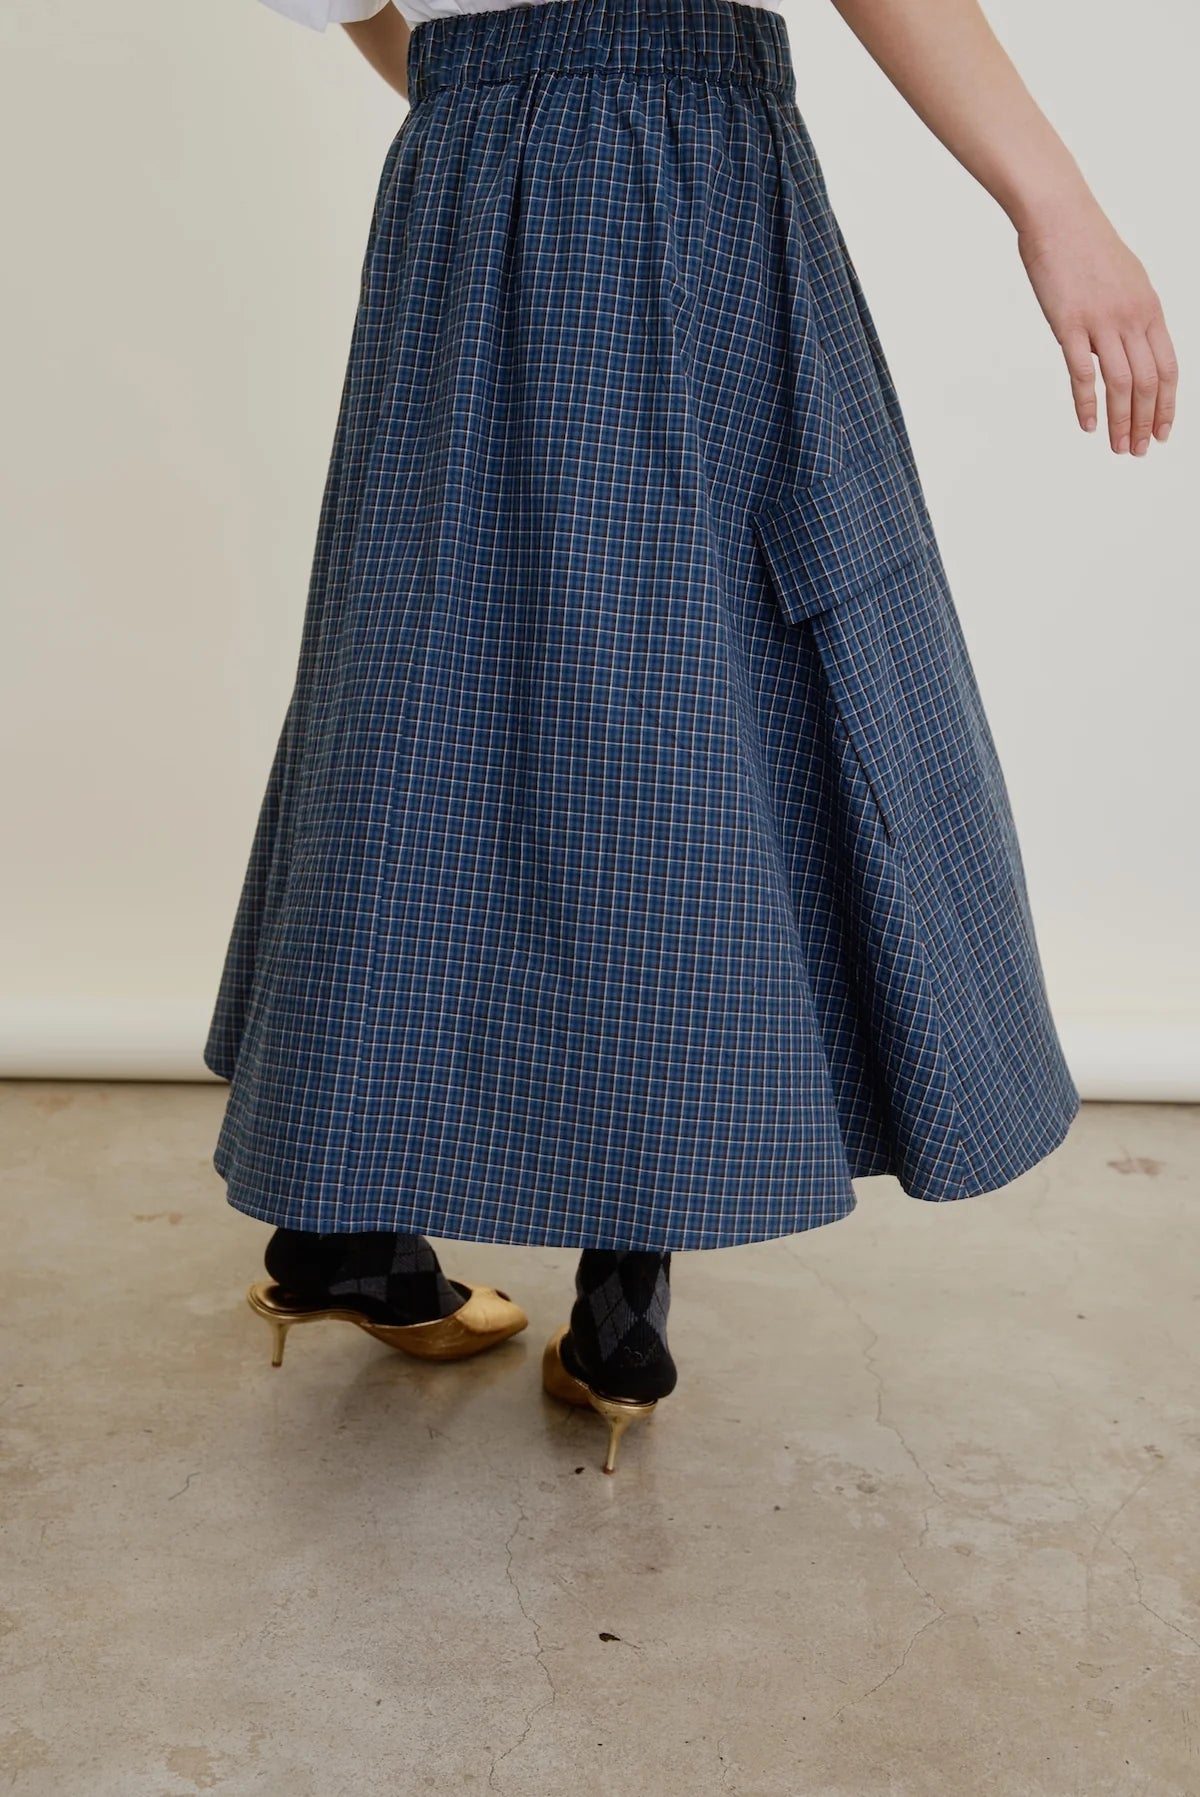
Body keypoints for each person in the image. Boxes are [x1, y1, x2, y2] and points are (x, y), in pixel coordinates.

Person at [205, 0, 1177, 1474]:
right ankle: (623, 1274)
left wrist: (498, 91)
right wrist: (1057, 205)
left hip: (471, 176)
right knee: (676, 693)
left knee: (423, 679)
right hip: (685, 162)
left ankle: (341, 1213)